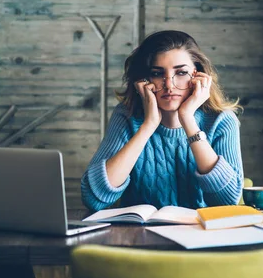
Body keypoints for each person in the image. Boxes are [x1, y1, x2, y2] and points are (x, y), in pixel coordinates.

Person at [81, 30, 244, 211]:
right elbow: (93, 198)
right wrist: (148, 125)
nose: (169, 85)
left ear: (197, 77)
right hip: (139, 234)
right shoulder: (126, 117)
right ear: (144, 80)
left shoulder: (221, 121)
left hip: (200, 234)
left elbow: (228, 201)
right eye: (158, 73)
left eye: (181, 72)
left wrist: (187, 119)